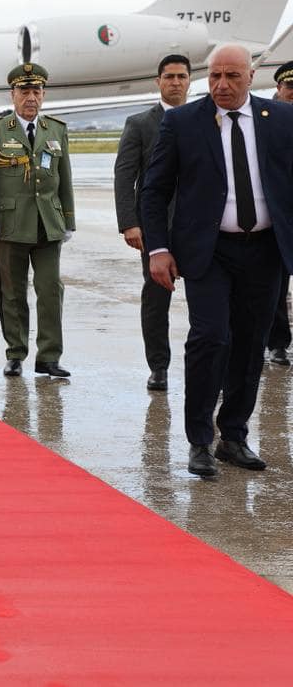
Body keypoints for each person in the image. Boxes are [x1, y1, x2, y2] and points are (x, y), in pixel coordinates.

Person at [140, 43, 293, 477]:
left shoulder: (281, 120)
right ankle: (200, 441)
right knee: (210, 338)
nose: (222, 85)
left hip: (265, 252)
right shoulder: (183, 122)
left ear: (251, 76)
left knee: (250, 343)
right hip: (208, 251)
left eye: (232, 77)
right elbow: (154, 191)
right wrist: (159, 248)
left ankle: (234, 435)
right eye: (215, 77)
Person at [0, 63, 75, 378]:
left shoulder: (56, 130)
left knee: (50, 289)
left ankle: (49, 356)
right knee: (12, 292)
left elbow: (65, 179)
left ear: (43, 94)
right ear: (13, 94)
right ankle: (15, 353)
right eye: (24, 91)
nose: (31, 98)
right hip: (9, 225)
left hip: (48, 223)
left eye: (36, 91)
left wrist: (69, 220)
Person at [113, 54, 192, 391]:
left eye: (181, 77)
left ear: (190, 81)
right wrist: (129, 223)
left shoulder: (206, 119)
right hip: (156, 227)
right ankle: (158, 366)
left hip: (199, 225)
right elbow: (124, 174)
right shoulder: (140, 123)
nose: (175, 82)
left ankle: (209, 364)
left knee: (210, 297)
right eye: (169, 76)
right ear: (158, 81)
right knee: (156, 298)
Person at [265, 59, 293, 366]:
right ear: (279, 88)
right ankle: (278, 343)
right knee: (276, 285)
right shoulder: (266, 121)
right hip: (281, 215)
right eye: (290, 87)